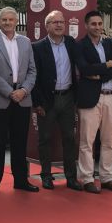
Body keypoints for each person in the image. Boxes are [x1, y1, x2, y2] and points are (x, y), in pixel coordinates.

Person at [0, 7, 38, 194]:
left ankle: (21, 180)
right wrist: (10, 92)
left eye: (10, 20)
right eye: (4, 20)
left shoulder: (26, 42)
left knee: (20, 141)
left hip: (22, 99)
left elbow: (32, 70)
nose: (7, 23)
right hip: (0, 99)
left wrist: (23, 90)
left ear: (16, 22)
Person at [74, 10, 112, 194]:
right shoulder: (80, 45)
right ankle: (87, 178)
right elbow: (85, 69)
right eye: (93, 24)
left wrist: (100, 73)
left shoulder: (111, 43)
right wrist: (107, 66)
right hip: (90, 98)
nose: (97, 27)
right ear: (86, 26)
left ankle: (106, 178)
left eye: (99, 23)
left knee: (109, 140)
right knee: (87, 141)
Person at [31, 11, 82, 191]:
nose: (59, 25)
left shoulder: (71, 43)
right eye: (55, 22)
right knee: (45, 139)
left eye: (62, 22)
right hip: (47, 100)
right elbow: (34, 77)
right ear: (47, 26)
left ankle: (71, 177)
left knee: (69, 138)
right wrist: (37, 103)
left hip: (68, 98)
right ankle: (46, 176)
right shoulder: (37, 47)